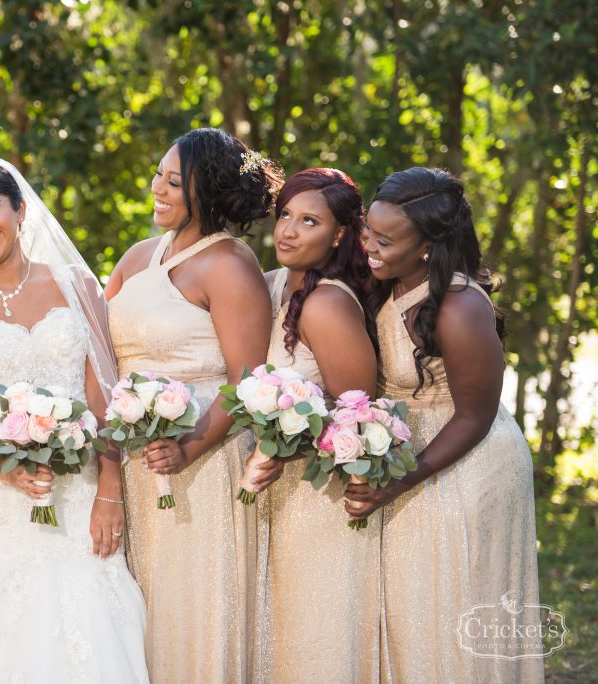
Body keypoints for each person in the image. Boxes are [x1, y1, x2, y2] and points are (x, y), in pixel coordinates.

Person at [0, 160, 148, 682]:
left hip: (84, 490)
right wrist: (10, 470)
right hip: (5, 498)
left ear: (20, 210)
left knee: (96, 612)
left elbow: (104, 396)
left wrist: (109, 488)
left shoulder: (76, 285)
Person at [352, 167, 543, 682]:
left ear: (427, 249)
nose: (369, 246)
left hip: (464, 461)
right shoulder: (390, 284)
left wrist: (399, 479)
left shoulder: (459, 307)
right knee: (412, 610)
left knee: (452, 606)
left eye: (385, 241)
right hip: (412, 456)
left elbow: (476, 416)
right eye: (369, 230)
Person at [105, 128, 279, 682]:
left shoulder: (229, 264)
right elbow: (99, 354)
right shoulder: (138, 256)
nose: (158, 188)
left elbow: (249, 380)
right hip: (133, 461)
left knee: (193, 612)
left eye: (175, 182)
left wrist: (190, 447)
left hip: (203, 461)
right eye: (159, 174)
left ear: (208, 190)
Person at [257, 168, 379, 682]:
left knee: (315, 632)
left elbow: (357, 414)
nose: (288, 230)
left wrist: (285, 441)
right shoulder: (270, 285)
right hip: (273, 491)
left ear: (338, 235)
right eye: (285, 214)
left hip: (316, 495)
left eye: (309, 221)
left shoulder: (327, 302)